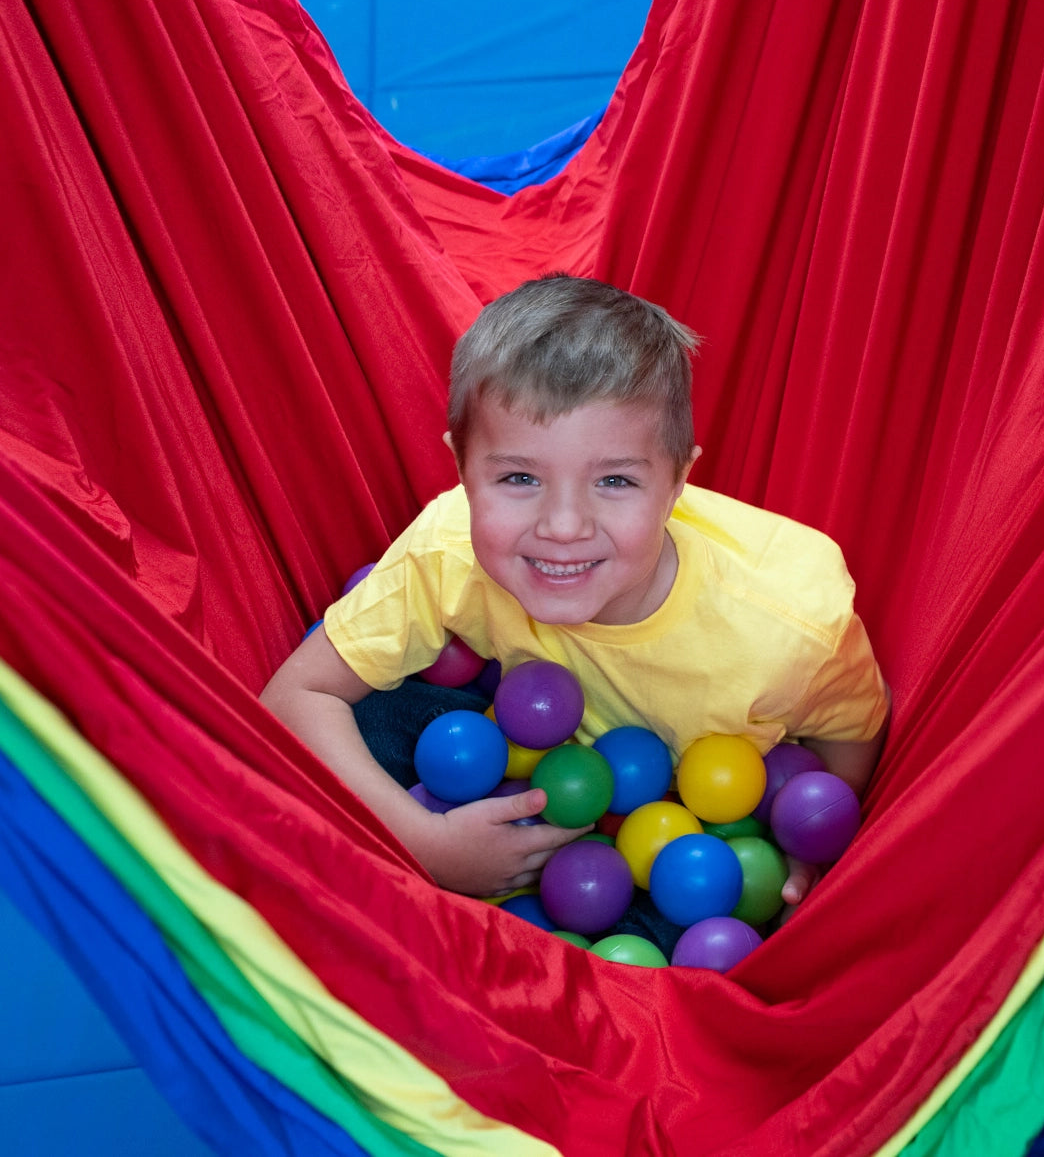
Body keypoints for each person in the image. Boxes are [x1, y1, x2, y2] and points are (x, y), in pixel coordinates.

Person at [261, 275, 890, 915]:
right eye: (519, 477)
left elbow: (854, 730)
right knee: (360, 728)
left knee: (686, 930)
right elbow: (292, 697)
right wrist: (424, 840)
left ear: (678, 482)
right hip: (500, 746)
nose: (563, 527)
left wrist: (808, 828)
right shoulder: (447, 550)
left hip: (688, 839)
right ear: (462, 471)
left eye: (614, 480)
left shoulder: (789, 625)